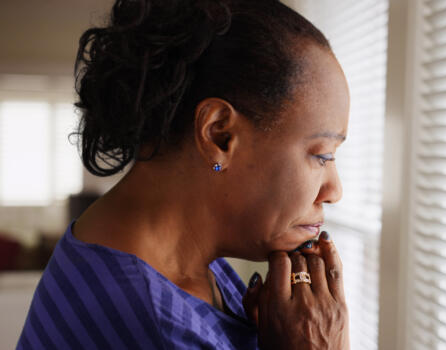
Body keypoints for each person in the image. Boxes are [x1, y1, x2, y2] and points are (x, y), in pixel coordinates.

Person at [17, 0, 350, 348]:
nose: (334, 190)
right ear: (219, 135)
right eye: (322, 155)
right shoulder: (158, 327)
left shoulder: (156, 253)